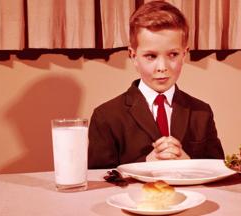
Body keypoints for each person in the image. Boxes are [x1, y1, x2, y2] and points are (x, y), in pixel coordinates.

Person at [88, 0, 224, 169]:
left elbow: (218, 169)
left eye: (173, 54)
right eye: (151, 56)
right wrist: (145, 165)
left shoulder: (202, 112)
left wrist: (190, 164)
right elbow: (99, 179)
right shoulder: (106, 117)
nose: (162, 68)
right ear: (133, 55)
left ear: (184, 54)